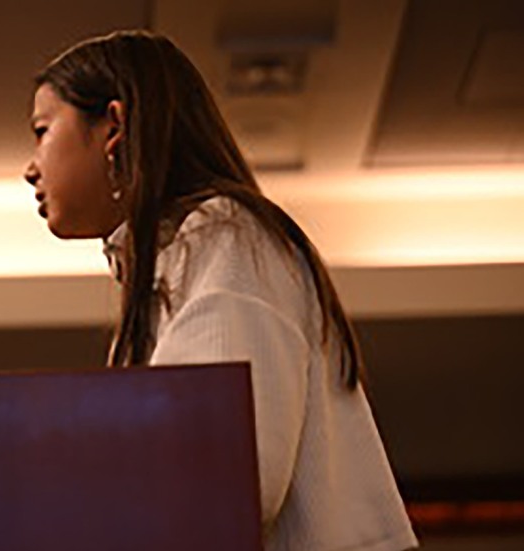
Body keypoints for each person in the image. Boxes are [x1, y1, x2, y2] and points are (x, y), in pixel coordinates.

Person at [23, 30, 418, 551]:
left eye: (42, 131)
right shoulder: (174, 256)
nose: (30, 169)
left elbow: (230, 472)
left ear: (113, 126)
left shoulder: (222, 236)